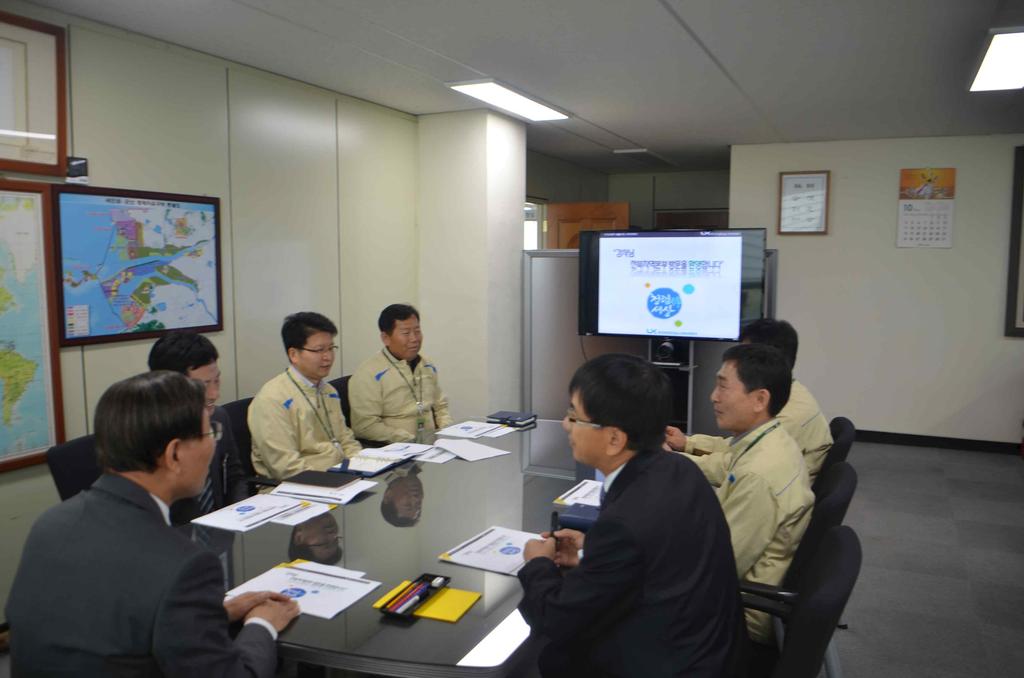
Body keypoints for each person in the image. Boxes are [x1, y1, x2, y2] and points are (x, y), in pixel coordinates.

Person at [5, 371, 299, 675]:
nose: (214, 445)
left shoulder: (50, 524)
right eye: (210, 433)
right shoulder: (184, 565)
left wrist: (214, 613)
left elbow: (113, 625)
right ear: (174, 454)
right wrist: (263, 623)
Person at [517, 354, 740, 677]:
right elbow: (660, 555)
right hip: (708, 648)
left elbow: (557, 619)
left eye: (574, 416)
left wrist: (537, 563)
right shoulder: (680, 468)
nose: (566, 424)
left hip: (669, 662)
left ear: (614, 439)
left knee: (550, 655)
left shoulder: (624, 524)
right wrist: (592, 553)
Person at [685, 343, 814, 644]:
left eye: (722, 387)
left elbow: (718, 566)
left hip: (741, 614)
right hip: (742, 589)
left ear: (759, 400)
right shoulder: (770, 439)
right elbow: (725, 468)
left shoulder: (759, 475)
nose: (713, 396)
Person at [666, 319, 832, 480]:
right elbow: (735, 447)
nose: (714, 397)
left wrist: (673, 459)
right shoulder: (789, 394)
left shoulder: (787, 419)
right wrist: (687, 443)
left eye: (746, 355)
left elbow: (733, 468)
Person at [148, 331, 249, 522]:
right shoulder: (150, 435)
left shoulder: (218, 417)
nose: (214, 394)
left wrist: (240, 516)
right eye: (203, 386)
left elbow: (236, 478)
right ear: (169, 386)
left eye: (216, 381)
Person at [249, 312, 361, 480]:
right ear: (293, 354)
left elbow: (347, 441)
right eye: (319, 350)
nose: (328, 357)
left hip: (340, 480)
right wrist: (335, 482)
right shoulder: (272, 400)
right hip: (296, 490)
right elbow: (286, 467)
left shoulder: (328, 391)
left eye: (331, 348)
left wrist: (363, 468)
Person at [348, 304, 453, 443]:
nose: (414, 338)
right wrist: (408, 439)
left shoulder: (427, 365)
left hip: (432, 444)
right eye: (406, 333)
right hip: (395, 449)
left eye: (417, 331)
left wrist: (446, 430)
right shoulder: (368, 373)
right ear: (386, 337)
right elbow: (365, 426)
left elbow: (440, 405)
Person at [380, 463, 424, 527]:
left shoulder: (378, 465)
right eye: (418, 504)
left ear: (388, 496)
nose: (416, 498)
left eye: (407, 504)